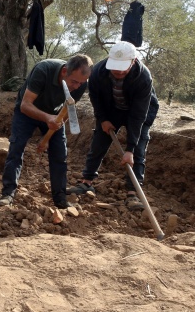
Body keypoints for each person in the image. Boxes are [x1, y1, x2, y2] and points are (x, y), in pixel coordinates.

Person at [66, 41, 159, 210]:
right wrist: (102, 118)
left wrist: (129, 149)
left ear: (133, 62)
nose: (117, 71)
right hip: (111, 109)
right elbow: (95, 96)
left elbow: (138, 114)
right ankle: (86, 182)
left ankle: (133, 194)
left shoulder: (143, 78)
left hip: (138, 111)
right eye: (115, 67)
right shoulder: (99, 72)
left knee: (138, 149)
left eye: (122, 68)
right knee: (98, 143)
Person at [0, 54, 93, 209]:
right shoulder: (44, 69)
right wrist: (48, 119)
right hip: (27, 112)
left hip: (54, 115)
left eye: (81, 83)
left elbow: (67, 109)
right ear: (64, 71)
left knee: (60, 155)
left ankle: (60, 198)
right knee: (16, 148)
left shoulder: (80, 83)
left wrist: (48, 137)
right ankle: (7, 193)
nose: (77, 86)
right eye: (74, 82)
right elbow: (25, 105)